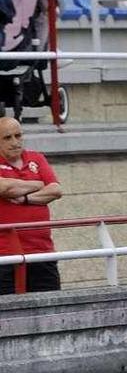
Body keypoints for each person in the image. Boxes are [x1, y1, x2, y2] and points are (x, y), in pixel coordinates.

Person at [0, 117, 63, 294]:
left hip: (42, 252)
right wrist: (38, 184)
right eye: (7, 138)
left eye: (18, 136)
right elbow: (4, 187)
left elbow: (56, 190)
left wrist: (25, 199)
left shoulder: (36, 158)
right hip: (4, 256)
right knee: (9, 315)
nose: (15, 142)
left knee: (50, 310)